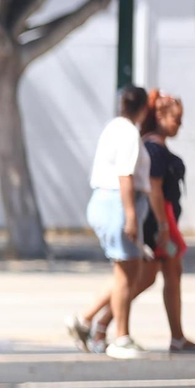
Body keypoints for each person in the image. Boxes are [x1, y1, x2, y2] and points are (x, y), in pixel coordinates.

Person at [73, 91, 192, 355]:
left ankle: (97, 322)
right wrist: (148, 221)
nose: (180, 125)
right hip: (144, 217)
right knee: (129, 276)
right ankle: (114, 334)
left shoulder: (119, 130)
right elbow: (136, 181)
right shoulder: (135, 137)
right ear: (157, 116)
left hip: (140, 214)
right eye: (177, 119)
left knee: (142, 277)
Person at [68, 86, 153, 359]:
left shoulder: (113, 127)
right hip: (117, 204)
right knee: (127, 275)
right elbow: (125, 175)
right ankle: (121, 338)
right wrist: (130, 215)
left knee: (127, 273)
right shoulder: (128, 132)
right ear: (142, 108)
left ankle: (86, 319)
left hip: (107, 202)